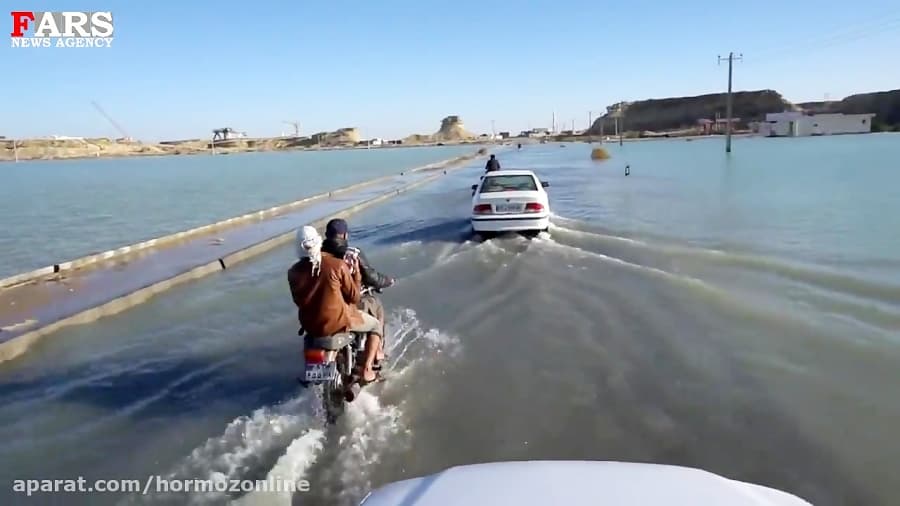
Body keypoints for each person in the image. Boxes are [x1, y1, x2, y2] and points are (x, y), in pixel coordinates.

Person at [288, 225, 383, 383]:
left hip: (310, 326)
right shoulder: (336, 265)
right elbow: (354, 297)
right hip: (338, 323)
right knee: (375, 325)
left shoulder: (292, 272)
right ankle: (367, 370)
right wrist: (356, 273)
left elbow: (298, 301)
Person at [321, 218, 393, 370]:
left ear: (326, 234)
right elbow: (372, 277)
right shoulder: (352, 254)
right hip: (346, 308)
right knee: (376, 313)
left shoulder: (315, 257)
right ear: (345, 236)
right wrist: (388, 281)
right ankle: (371, 362)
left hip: (322, 309)